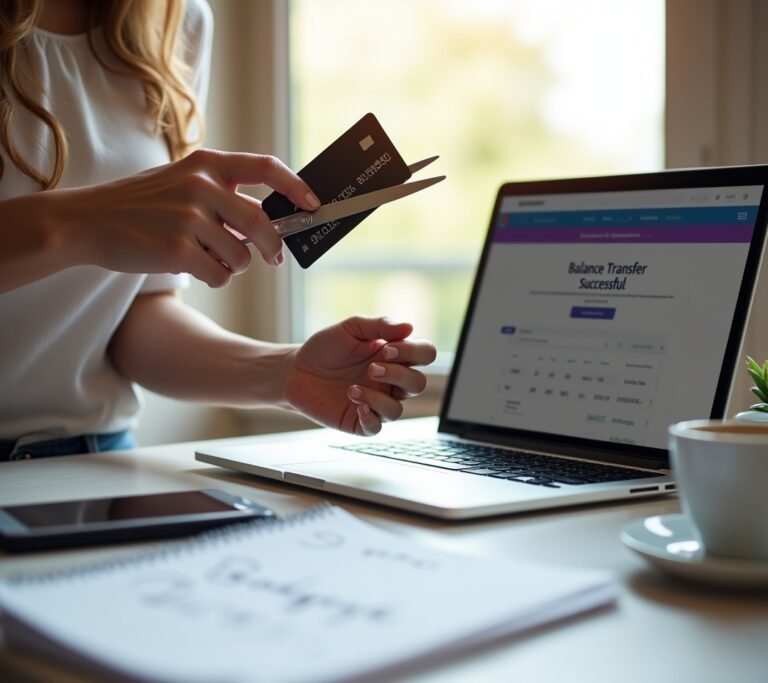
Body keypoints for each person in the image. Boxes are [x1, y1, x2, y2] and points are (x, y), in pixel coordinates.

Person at [0, 0, 437, 460]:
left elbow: (133, 317)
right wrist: (81, 224)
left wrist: (287, 374)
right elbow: (92, 236)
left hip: (95, 460)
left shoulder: (175, 22)